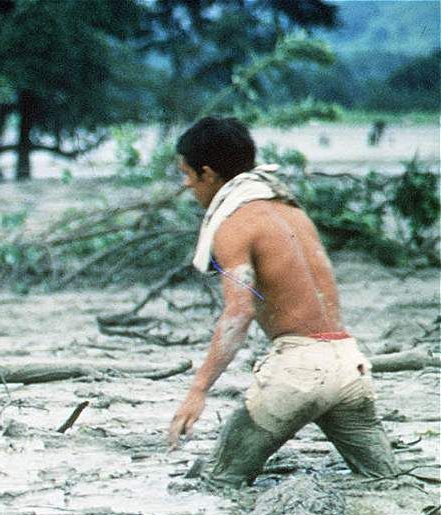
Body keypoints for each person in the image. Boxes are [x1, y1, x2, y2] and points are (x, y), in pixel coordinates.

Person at [167, 116, 399, 487]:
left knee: (220, 483)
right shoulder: (292, 210)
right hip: (349, 365)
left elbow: (238, 314)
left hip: (298, 373)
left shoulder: (235, 225)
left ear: (207, 174)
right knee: (386, 482)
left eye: (186, 175)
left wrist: (198, 391)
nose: (185, 185)